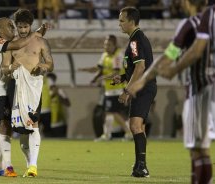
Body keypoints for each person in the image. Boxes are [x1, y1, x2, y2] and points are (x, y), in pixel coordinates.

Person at [127, 1, 213, 183]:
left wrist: (169, 71)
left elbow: (173, 54)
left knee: (197, 150)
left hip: (201, 91)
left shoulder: (193, 24)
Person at [0, 17, 47, 177]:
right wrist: (38, 32)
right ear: (1, 30)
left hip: (13, 89)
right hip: (0, 90)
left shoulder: (12, 41)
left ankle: (0, 166)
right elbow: (21, 44)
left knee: (14, 128)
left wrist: (39, 33)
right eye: (9, 26)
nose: (13, 28)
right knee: (5, 128)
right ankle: (8, 167)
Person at [2, 9, 54, 178]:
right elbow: (4, 68)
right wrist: (10, 68)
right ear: (16, 26)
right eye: (20, 27)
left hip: (33, 87)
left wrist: (43, 67)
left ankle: (33, 166)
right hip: (15, 87)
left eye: (25, 27)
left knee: (33, 124)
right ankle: (28, 162)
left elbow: (50, 64)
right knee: (21, 131)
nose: (23, 30)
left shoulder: (41, 42)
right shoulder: (10, 44)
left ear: (30, 25)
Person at [111, 7, 157, 177]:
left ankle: (142, 167)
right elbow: (136, 67)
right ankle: (140, 166)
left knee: (135, 126)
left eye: (122, 20)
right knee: (138, 126)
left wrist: (127, 91)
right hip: (144, 86)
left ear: (131, 21)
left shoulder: (135, 40)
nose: (119, 24)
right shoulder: (137, 38)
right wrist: (123, 77)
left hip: (143, 88)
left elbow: (140, 67)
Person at [80, 34, 131, 141]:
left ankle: (128, 132)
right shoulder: (104, 55)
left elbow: (116, 73)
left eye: (108, 45)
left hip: (117, 89)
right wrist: (87, 71)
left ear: (114, 45)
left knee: (113, 112)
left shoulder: (118, 55)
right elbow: (99, 69)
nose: (106, 47)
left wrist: (101, 78)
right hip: (109, 90)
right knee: (109, 112)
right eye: (105, 44)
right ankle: (107, 135)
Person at [47, 72, 71, 137]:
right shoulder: (43, 92)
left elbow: (68, 103)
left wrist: (59, 97)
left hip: (59, 123)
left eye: (52, 80)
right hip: (47, 123)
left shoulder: (59, 91)